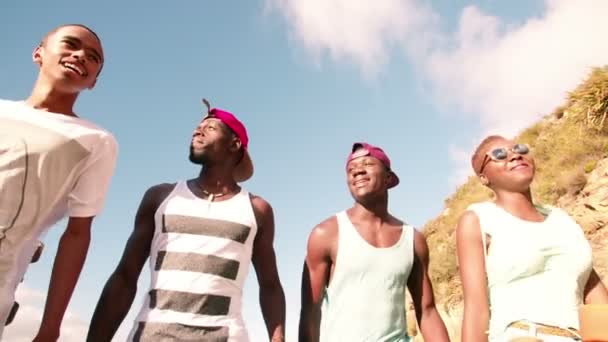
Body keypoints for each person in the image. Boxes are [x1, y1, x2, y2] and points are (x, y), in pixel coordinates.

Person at [87, 100, 286, 342]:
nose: (197, 130)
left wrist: (278, 338)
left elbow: (270, 285)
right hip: (153, 334)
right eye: (197, 126)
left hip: (224, 335)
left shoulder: (257, 209)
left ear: (235, 144)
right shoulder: (161, 197)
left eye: (210, 127)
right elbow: (125, 277)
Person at [0, 24, 117, 340]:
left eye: (93, 57)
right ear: (39, 53)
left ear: (93, 82)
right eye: (71, 44)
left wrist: (51, 326)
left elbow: (78, 234)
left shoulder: (95, 141)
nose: (81, 56)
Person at [456, 135, 608, 341]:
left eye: (520, 149)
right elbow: (476, 309)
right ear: (484, 178)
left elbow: (592, 290)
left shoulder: (562, 219)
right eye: (499, 154)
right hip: (521, 335)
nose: (514, 155)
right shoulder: (478, 219)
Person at [299, 142, 450, 342]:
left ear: (388, 177)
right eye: (351, 169)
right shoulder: (326, 234)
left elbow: (427, 310)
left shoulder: (413, 240)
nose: (357, 171)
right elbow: (310, 311)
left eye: (368, 164)